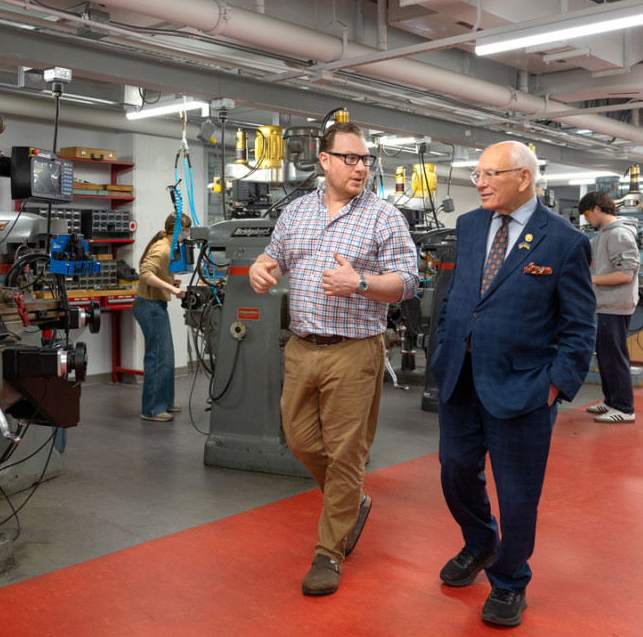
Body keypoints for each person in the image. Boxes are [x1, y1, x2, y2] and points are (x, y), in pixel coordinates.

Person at [429, 141, 596, 627]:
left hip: (523, 387)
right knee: (455, 470)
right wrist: (443, 349)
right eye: (477, 173)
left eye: (489, 174)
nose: (478, 182)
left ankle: (509, 580)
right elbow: (458, 298)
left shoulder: (563, 240)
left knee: (518, 492)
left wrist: (555, 386)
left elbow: (579, 326)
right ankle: (481, 543)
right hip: (460, 379)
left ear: (523, 178)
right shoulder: (469, 225)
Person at [249, 121, 418, 596]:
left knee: (346, 453)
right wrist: (263, 270)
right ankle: (353, 503)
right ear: (324, 161)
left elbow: (408, 282)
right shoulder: (297, 212)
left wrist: (361, 282)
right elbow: (274, 257)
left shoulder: (384, 217)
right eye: (350, 158)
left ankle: (329, 552)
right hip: (302, 348)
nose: (360, 167)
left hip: (355, 350)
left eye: (365, 159)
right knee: (300, 439)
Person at [579, 191, 640, 423]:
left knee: (614, 357)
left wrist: (589, 280)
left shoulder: (619, 234)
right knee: (605, 357)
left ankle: (625, 408)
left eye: (586, 214)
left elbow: (625, 273)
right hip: (604, 304)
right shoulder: (604, 234)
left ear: (597, 208)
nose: (586, 219)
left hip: (614, 305)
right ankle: (611, 401)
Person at [133, 212, 191, 422]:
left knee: (166, 356)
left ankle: (165, 402)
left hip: (155, 305)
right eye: (186, 230)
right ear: (177, 231)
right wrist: (172, 289)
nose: (187, 234)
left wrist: (170, 282)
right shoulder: (161, 248)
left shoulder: (168, 246)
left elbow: (156, 275)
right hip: (148, 306)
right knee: (158, 357)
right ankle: (152, 409)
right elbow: (145, 274)